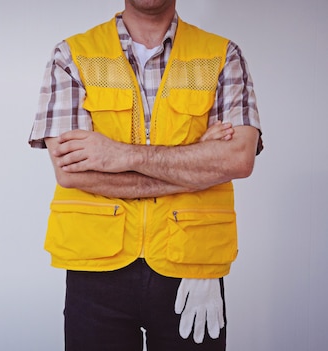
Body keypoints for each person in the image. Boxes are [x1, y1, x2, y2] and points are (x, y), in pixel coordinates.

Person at [28, 1, 263, 350]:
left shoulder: (222, 55)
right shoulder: (72, 55)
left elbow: (239, 159)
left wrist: (119, 154)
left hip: (192, 267)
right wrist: (198, 162)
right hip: (96, 268)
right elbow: (71, 173)